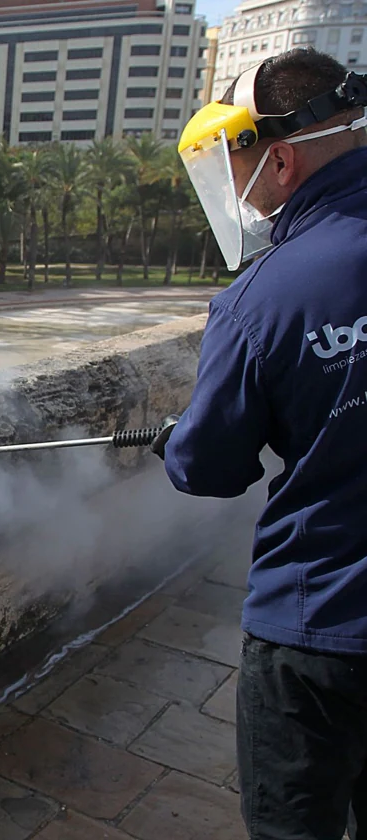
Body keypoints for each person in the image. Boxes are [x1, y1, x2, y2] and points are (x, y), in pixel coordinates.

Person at [152, 48, 367, 840]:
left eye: (232, 164)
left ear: (277, 156)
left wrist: (179, 442)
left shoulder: (262, 298)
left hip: (318, 628)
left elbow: (210, 468)